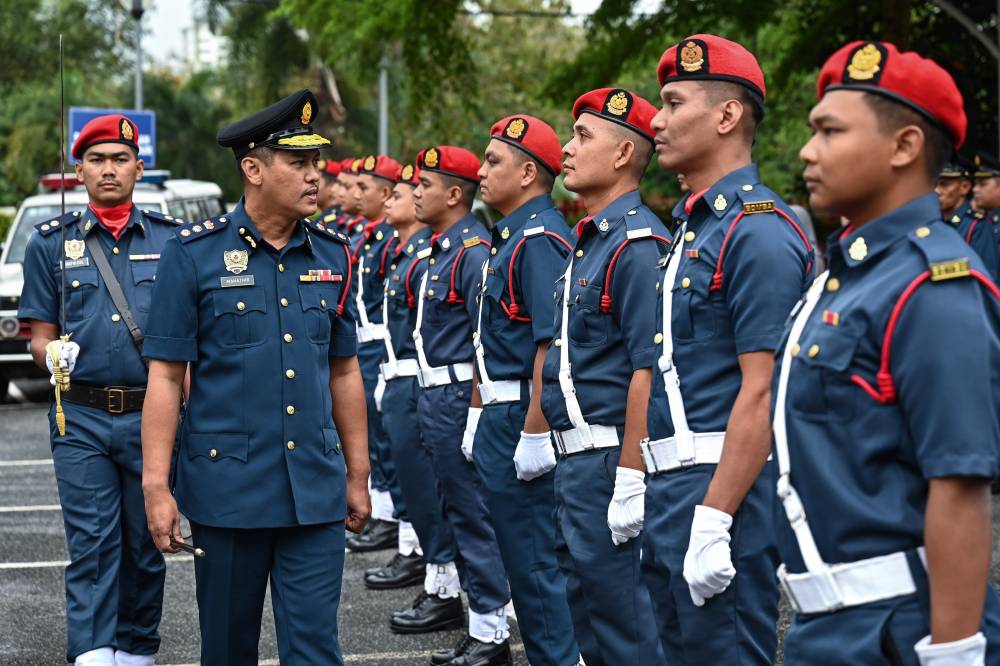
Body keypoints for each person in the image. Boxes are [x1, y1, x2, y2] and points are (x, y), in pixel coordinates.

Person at [774, 41, 1000, 664]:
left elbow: (959, 485)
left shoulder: (934, 286)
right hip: (829, 630)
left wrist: (953, 654)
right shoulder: (850, 275)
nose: (807, 151)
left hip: (899, 631)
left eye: (829, 131)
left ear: (903, 146)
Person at [140, 89, 370, 665]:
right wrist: (156, 486)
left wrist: (359, 472)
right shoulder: (193, 256)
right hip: (228, 495)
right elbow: (167, 378)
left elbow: (343, 369)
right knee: (226, 647)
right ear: (253, 169)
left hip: (314, 492)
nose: (315, 176)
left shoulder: (335, 255)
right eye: (299, 163)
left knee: (317, 649)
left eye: (316, 163)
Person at [619, 35, 814, 664]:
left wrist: (717, 516)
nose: (656, 119)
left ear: (727, 116)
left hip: (722, 488)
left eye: (674, 103)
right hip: (675, 487)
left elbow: (763, 387)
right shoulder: (695, 227)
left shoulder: (755, 228)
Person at [18, 114, 169, 666]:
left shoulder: (172, 241)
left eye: (120, 159)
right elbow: (40, 337)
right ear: (77, 170)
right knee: (93, 544)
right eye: (97, 160)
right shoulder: (48, 244)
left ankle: (135, 650)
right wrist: (50, 353)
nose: (109, 170)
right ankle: (92, 653)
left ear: (139, 167)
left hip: (151, 413)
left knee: (146, 542)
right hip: (79, 417)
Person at [540, 87, 667, 665]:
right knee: (587, 620)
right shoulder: (591, 242)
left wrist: (630, 477)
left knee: (627, 629)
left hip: (611, 458)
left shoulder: (637, 245)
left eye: (583, 137)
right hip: (576, 464)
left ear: (622, 155)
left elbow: (649, 367)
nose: (567, 149)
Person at [467, 114, 580, 666]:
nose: (482, 172)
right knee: (522, 563)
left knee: (536, 569)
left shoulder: (537, 241)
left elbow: (548, 344)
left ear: (530, 172)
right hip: (503, 412)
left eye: (493, 162)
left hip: (522, 417)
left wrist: (535, 429)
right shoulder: (512, 236)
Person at [411, 145, 514, 666]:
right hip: (436, 394)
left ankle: (493, 633)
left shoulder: (472, 251)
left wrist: (474, 410)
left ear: (454, 194)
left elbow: (483, 340)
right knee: (454, 507)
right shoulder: (443, 249)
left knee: (472, 514)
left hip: (457, 395)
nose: (414, 192)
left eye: (424, 184)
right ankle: (481, 625)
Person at [372, 162, 465, 633]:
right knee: (415, 484)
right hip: (407, 378)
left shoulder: (433, 254)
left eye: (404, 192)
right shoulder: (411, 255)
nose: (391, 200)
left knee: (433, 492)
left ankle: (444, 584)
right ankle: (435, 575)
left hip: (426, 381)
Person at [344, 154, 405, 554]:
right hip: (364, 344)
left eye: (364, 187)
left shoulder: (389, 241)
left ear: (386, 193)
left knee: (386, 438)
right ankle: (383, 511)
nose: (355, 193)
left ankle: (392, 515)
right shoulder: (366, 236)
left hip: (381, 346)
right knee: (376, 437)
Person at [938, 157, 999, 280]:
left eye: (944, 184)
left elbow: (987, 281)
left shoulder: (976, 226)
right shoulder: (937, 223)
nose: (937, 191)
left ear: (965, 187)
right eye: (936, 184)